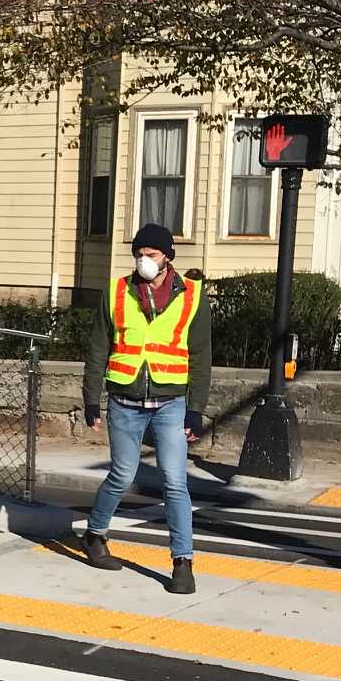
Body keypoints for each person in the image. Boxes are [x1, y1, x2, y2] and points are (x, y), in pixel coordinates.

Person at [80, 223, 210, 593]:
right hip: (124, 399)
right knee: (122, 474)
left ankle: (182, 562)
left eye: (151, 255)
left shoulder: (193, 296)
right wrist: (91, 399)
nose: (143, 261)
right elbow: (97, 350)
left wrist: (196, 409)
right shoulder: (116, 292)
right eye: (139, 255)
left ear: (167, 257)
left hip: (170, 401)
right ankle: (95, 535)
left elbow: (201, 356)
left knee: (174, 480)